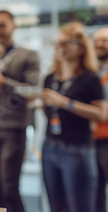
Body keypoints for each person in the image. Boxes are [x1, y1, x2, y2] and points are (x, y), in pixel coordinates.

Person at [0, 10, 40, 212]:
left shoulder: (28, 55)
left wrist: (3, 81)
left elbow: (31, 92)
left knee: (9, 188)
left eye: (2, 25)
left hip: (13, 130)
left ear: (13, 26)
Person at [41, 22, 106, 212]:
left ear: (81, 47)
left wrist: (64, 102)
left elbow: (101, 114)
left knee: (80, 208)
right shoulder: (51, 78)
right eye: (58, 43)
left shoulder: (90, 78)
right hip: (50, 146)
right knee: (57, 207)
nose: (61, 47)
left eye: (67, 43)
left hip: (77, 150)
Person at [91, 28, 108, 212]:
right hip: (91, 141)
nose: (99, 44)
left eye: (104, 40)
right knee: (95, 195)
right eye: (96, 40)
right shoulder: (91, 72)